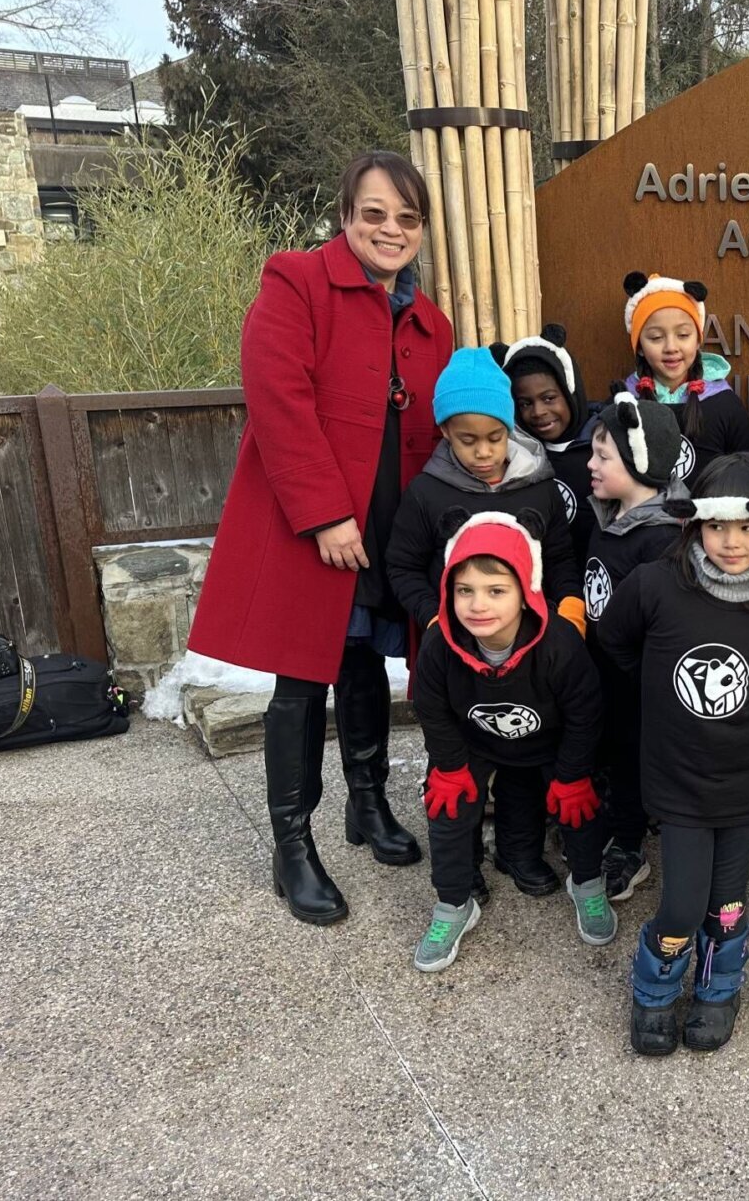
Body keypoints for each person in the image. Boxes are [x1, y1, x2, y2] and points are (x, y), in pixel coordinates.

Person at [188, 151, 452, 926]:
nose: (390, 230)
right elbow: (279, 399)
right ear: (346, 216)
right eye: (375, 213)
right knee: (303, 681)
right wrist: (326, 514)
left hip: (388, 525)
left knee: (365, 664)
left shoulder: (429, 319)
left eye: (407, 218)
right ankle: (291, 848)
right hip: (318, 526)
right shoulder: (295, 282)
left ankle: (365, 808)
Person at [599, 454, 749, 1055]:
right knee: (681, 905)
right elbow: (614, 642)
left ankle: (719, 985)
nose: (732, 542)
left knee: (727, 904)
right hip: (678, 780)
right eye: (717, 526)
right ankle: (654, 987)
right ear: (693, 524)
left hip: (746, 783)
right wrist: (656, 694)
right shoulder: (657, 585)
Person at [408, 510, 612, 972]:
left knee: (579, 807)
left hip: (553, 742)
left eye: (496, 590)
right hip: (473, 743)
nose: (478, 604)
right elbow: (431, 707)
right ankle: (454, 903)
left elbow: (586, 712)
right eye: (465, 591)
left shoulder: (558, 644)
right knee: (447, 807)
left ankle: (588, 883)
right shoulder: (441, 644)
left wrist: (573, 773)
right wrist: (448, 765)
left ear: (525, 593)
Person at [385, 348, 584, 667]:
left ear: (510, 428)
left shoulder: (540, 487)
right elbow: (402, 567)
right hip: (456, 651)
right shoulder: (426, 492)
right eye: (468, 440)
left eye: (495, 438)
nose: (483, 452)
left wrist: (572, 606)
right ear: (446, 431)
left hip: (536, 648)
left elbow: (559, 556)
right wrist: (433, 617)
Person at [582, 393, 688, 900]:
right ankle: (614, 823)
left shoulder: (660, 539)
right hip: (601, 671)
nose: (591, 464)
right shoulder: (605, 518)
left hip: (637, 682)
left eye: (604, 456)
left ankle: (630, 845)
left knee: (629, 758)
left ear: (639, 463)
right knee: (609, 755)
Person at [621, 271, 749, 486]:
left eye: (683, 335)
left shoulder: (724, 402)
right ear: (639, 346)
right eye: (656, 337)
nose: (671, 347)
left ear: (698, 340)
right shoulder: (625, 401)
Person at [501, 324, 601, 564]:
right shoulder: (516, 453)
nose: (538, 412)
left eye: (549, 398)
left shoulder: (603, 444)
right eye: (525, 403)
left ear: (570, 392)